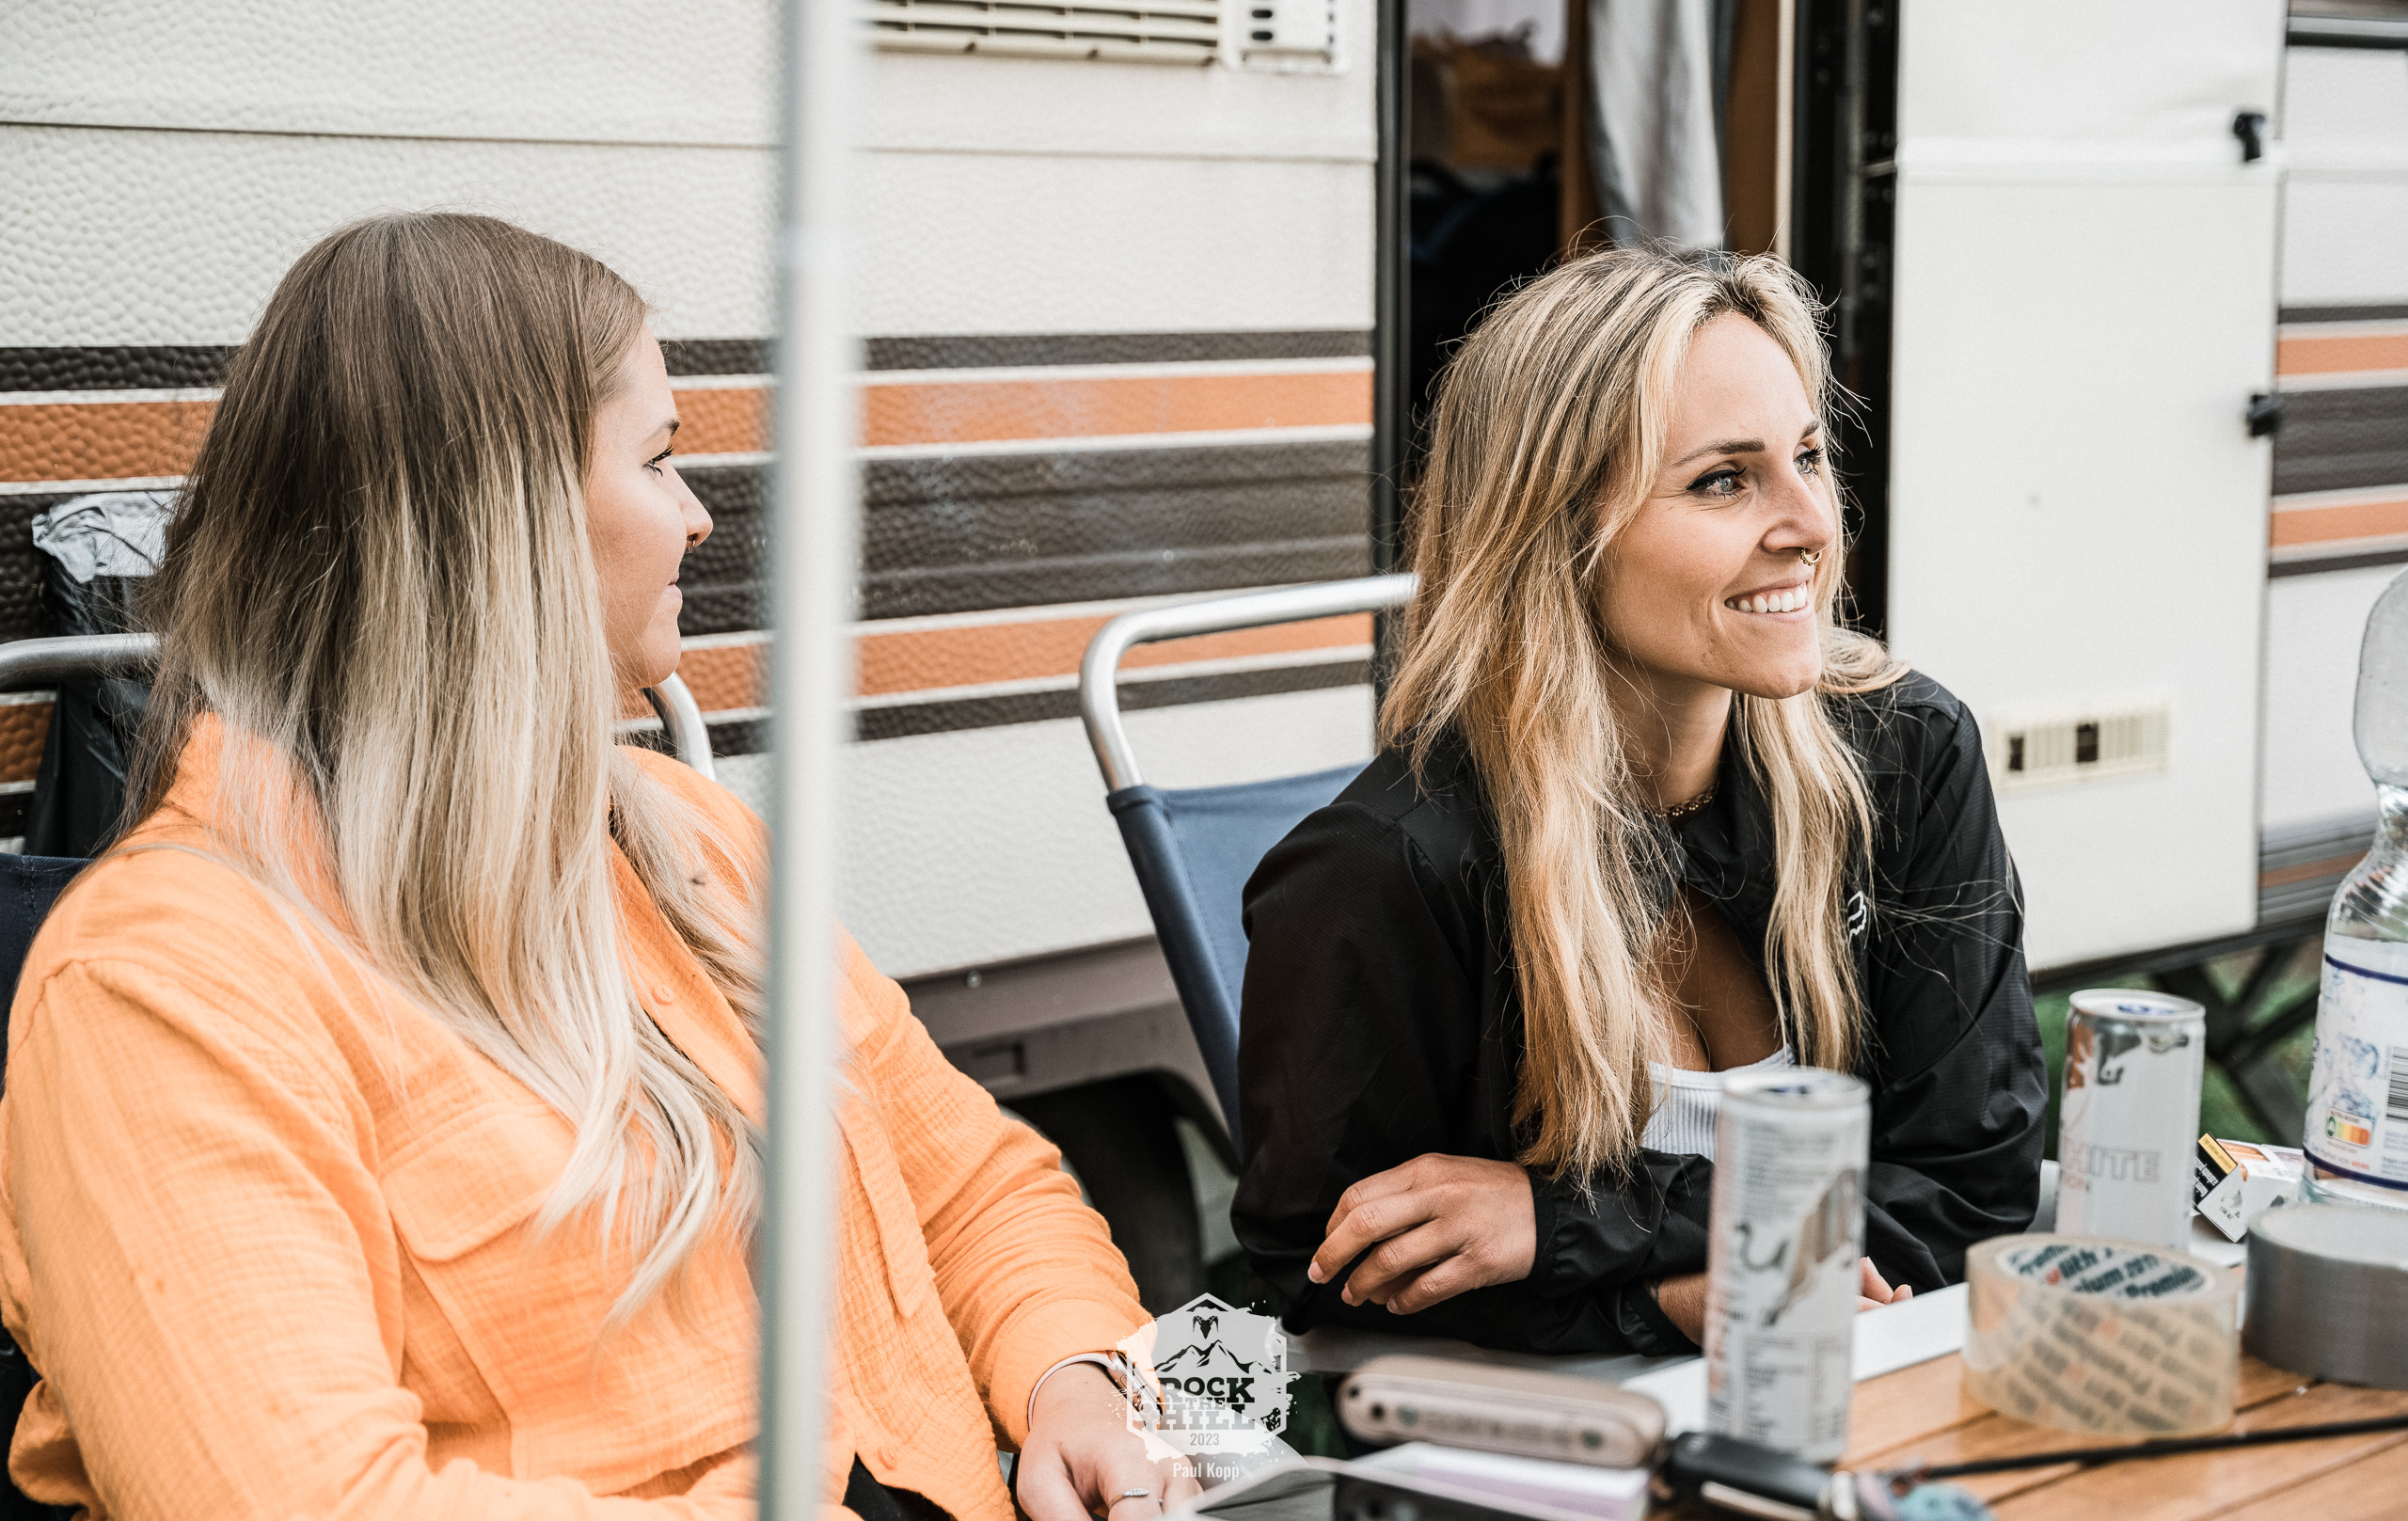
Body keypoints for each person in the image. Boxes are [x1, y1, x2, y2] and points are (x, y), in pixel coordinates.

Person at [0, 214, 1194, 1520]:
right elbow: (303, 1502)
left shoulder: (690, 837)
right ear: (498, 525)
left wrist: (1082, 1381)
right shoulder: (161, 986)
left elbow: (978, 1186)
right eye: (660, 458)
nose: (698, 516)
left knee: (1256, 1424)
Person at [1231, 246, 2047, 1355]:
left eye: (1809, 457)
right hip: (1555, 1435)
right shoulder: (1387, 872)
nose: (1812, 525)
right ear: (1555, 532)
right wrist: (1663, 1304)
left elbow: (1968, 1190)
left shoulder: (1902, 756)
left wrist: (1567, 1218)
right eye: (1724, 480)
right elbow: (1330, 1272)